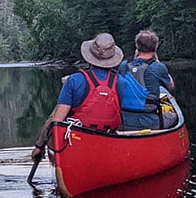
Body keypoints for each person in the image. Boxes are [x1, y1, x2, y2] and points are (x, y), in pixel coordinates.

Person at [30, 33, 152, 161]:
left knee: (53, 118)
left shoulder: (73, 81)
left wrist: (39, 146)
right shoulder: (122, 82)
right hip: (108, 140)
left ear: (89, 56)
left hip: (76, 143)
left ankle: (59, 166)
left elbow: (56, 121)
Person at [119, 29, 177, 129]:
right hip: (150, 122)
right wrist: (157, 61)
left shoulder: (123, 65)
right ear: (155, 47)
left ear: (137, 46)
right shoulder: (158, 67)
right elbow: (171, 87)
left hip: (123, 121)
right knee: (174, 115)